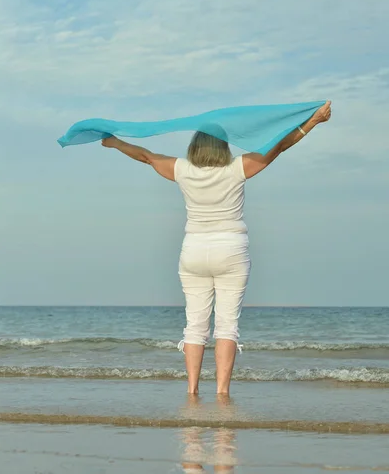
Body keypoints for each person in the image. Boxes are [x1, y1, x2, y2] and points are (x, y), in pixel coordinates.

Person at [102, 100, 332, 395]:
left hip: (194, 251)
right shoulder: (237, 168)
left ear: (195, 147)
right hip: (231, 251)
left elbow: (146, 156)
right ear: (224, 147)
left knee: (194, 325)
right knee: (227, 325)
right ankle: (222, 392)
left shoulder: (182, 170)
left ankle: (192, 390)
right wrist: (313, 122)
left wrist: (115, 142)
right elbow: (280, 146)